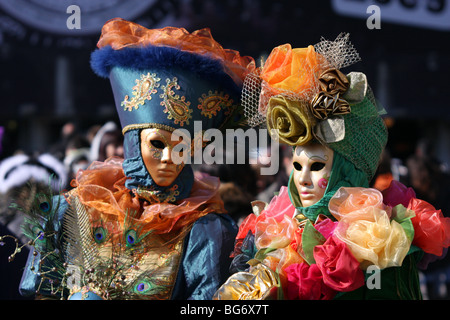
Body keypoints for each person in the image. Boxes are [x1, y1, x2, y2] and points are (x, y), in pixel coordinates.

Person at [16, 18, 256, 300]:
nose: (169, 158)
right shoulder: (72, 211)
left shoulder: (204, 231)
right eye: (157, 144)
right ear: (133, 142)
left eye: (181, 147)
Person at [213, 34, 450, 300]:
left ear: (347, 172)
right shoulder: (276, 232)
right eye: (297, 165)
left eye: (316, 166)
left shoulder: (380, 243)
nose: (301, 179)